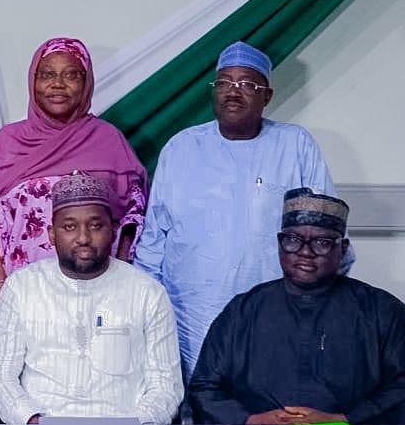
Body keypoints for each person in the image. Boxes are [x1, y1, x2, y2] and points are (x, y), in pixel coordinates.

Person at [135, 41, 350, 386]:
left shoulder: (295, 145)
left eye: (247, 83)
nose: (233, 92)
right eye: (224, 82)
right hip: (190, 316)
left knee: (267, 405)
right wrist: (149, 313)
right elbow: (152, 241)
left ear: (267, 96)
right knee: (196, 404)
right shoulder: (181, 147)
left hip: (275, 315)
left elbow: (328, 232)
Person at [0, 38, 147, 316]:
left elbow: (132, 217)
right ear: (33, 81)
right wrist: (0, 288)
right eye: (47, 74)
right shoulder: (8, 142)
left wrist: (118, 282)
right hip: (19, 299)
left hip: (98, 298)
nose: (57, 84)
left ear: (86, 82)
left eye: (70, 75)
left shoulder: (109, 141)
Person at [0, 174, 182, 425]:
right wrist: (32, 420)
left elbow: (166, 386)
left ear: (113, 230)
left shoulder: (147, 293)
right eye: (69, 227)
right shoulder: (21, 287)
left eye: (95, 226)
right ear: (51, 234)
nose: (83, 238)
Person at [190, 189, 405, 425]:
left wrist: (342, 420)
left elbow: (401, 386)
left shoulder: (381, 311)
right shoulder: (243, 310)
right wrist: (253, 420)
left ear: (343, 249)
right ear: (279, 244)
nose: (305, 252)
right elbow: (205, 387)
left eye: (322, 243)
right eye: (293, 240)